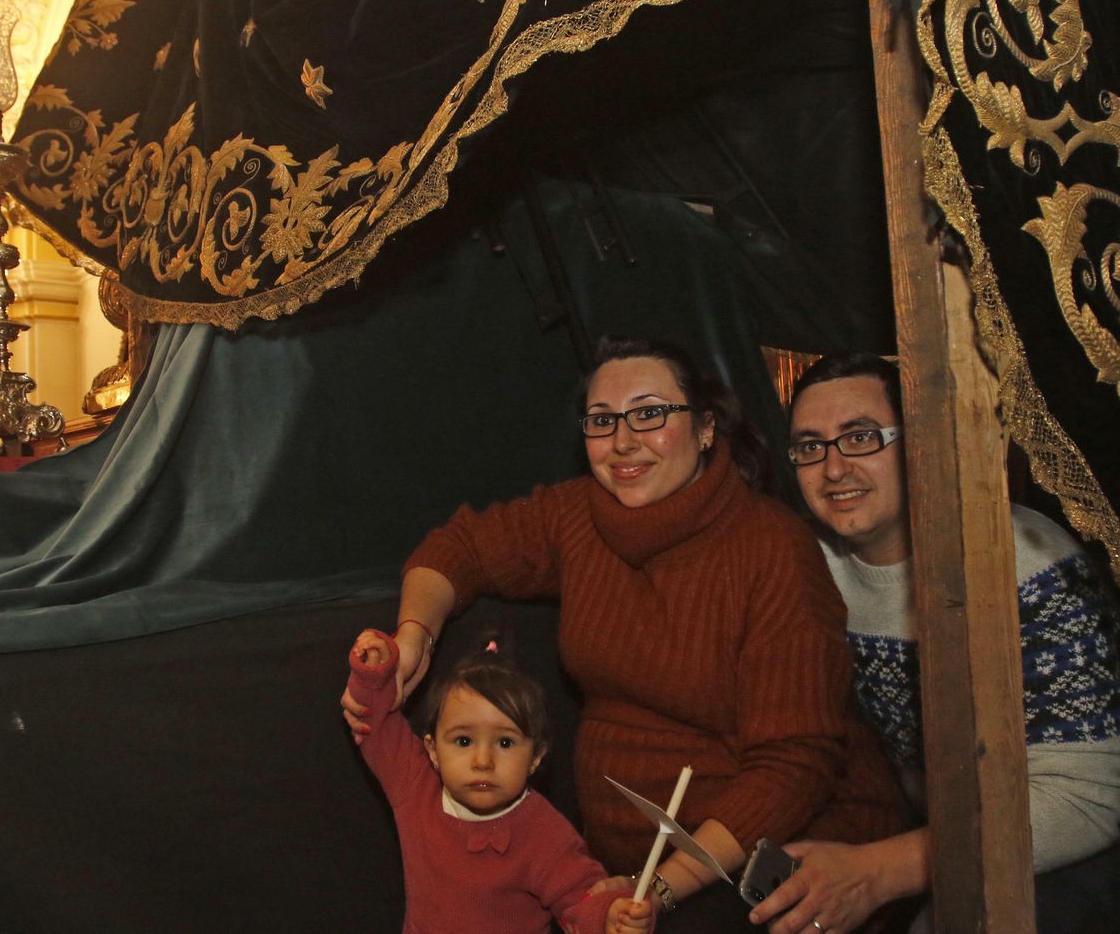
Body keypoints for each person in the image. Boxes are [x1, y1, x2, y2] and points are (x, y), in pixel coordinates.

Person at [342, 335, 908, 929]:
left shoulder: (773, 550)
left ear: (706, 428)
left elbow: (794, 767)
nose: (622, 440)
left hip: (765, 869)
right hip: (622, 870)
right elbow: (458, 547)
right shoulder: (579, 514)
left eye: (650, 413)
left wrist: (659, 889)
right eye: (601, 420)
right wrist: (414, 641)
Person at [750, 354, 1120, 934]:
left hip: (1118, 837)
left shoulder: (1024, 560)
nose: (833, 469)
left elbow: (1084, 805)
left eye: (861, 437)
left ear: (920, 441)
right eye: (810, 446)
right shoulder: (809, 566)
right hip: (947, 831)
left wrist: (876, 871)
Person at [345, 631, 653, 933]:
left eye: (505, 743)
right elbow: (374, 721)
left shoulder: (544, 833)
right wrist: (374, 673)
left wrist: (611, 916)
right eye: (463, 740)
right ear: (433, 751)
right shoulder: (416, 785)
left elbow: (582, 899)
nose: (483, 761)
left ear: (535, 757)